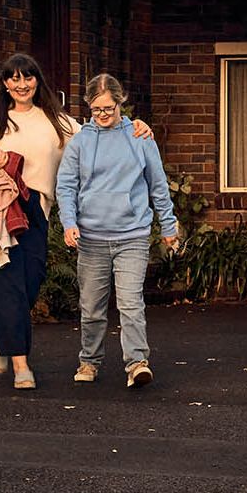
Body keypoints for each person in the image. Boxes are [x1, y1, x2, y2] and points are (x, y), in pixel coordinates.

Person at [0, 53, 147, 390]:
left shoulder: (56, 121)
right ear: (4, 83)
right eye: (13, 78)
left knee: (30, 283)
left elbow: (99, 129)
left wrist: (133, 124)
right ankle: (21, 367)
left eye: (28, 77)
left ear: (37, 81)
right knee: (9, 285)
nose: (21, 84)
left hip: (36, 211)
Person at [57, 74, 180, 389]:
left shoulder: (139, 137)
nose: (102, 115)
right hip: (91, 238)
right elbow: (66, 186)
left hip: (132, 236)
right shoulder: (81, 141)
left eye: (108, 108)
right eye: (96, 109)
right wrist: (69, 223)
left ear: (120, 102)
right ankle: (89, 361)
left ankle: (137, 363)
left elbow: (157, 184)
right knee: (92, 307)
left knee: (130, 303)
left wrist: (168, 226)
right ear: (88, 106)